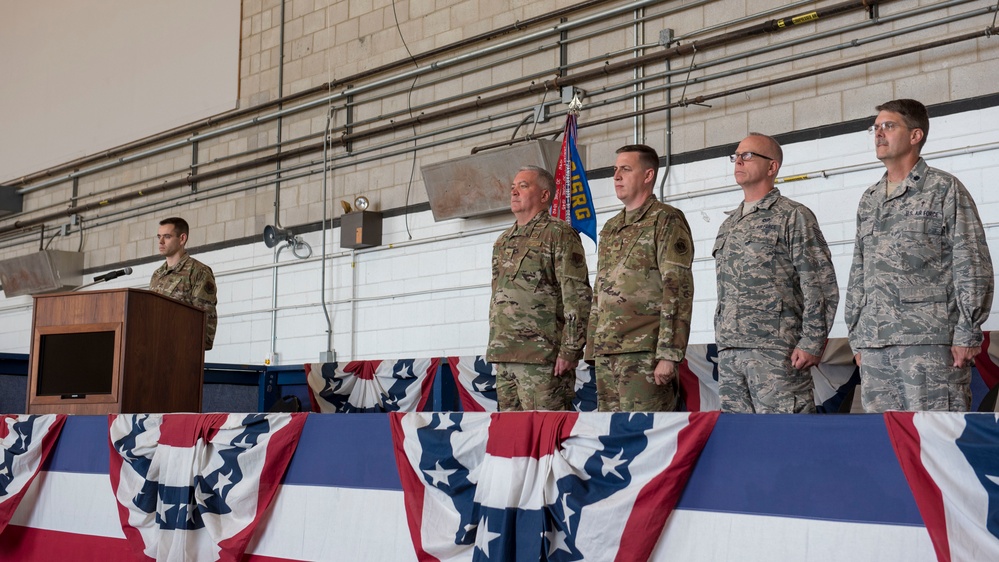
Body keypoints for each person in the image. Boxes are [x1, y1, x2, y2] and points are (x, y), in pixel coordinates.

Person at [845, 99, 994, 412]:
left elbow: (972, 262)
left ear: (915, 136)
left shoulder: (944, 189)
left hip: (930, 343)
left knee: (936, 440)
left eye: (889, 126)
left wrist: (968, 330)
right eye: (876, 128)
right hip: (875, 346)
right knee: (886, 442)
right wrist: (857, 336)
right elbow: (859, 270)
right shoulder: (870, 199)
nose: (879, 134)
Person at [713, 133, 839, 413]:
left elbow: (820, 283)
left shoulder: (793, 216)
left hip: (776, 352)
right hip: (731, 352)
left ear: (772, 167)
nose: (738, 161)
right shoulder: (729, 225)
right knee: (741, 442)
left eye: (748, 156)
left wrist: (812, 342)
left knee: (785, 439)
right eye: (736, 156)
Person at [588, 144, 693, 412]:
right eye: (615, 170)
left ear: (648, 176)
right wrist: (593, 348)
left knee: (645, 438)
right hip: (607, 353)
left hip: (644, 352)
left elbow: (677, 290)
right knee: (611, 439)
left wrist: (669, 355)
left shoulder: (665, 219)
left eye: (626, 169)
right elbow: (599, 291)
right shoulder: (612, 227)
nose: (616, 176)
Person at [486, 166, 592, 410]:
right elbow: (497, 297)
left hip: (543, 358)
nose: (514, 191)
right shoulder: (503, 241)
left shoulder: (558, 234)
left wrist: (571, 349)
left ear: (545, 196)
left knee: (546, 437)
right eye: (513, 186)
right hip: (505, 356)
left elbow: (577, 296)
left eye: (523, 186)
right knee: (513, 441)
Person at [149, 217, 219, 350]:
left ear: (182, 239)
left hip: (182, 350)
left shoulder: (199, 272)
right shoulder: (157, 275)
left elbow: (205, 319)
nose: (161, 242)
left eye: (167, 237)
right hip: (155, 347)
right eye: (159, 237)